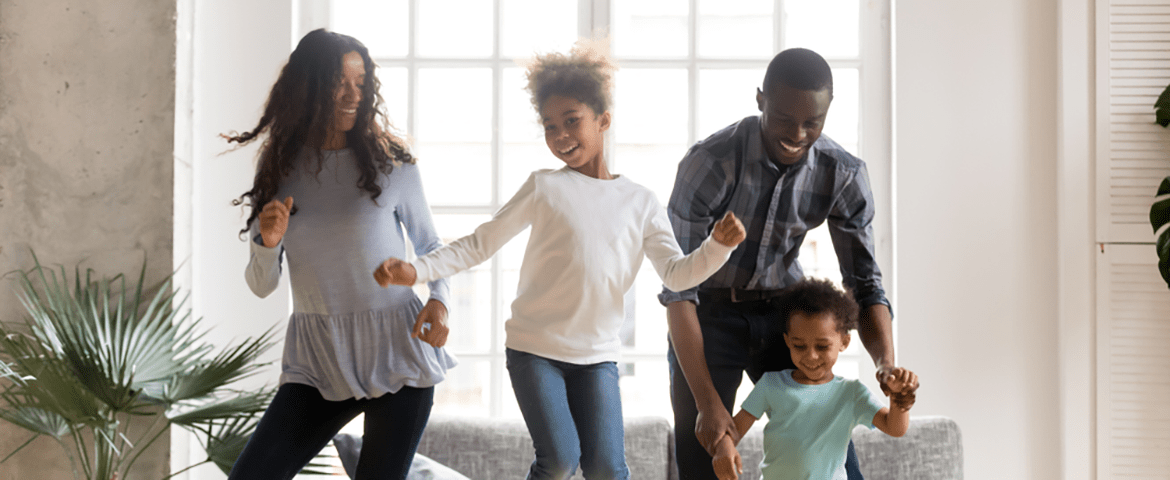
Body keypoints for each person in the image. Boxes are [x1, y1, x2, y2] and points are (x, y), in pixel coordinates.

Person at [373, 41, 746, 480]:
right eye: (551, 126)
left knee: (608, 468)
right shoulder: (544, 187)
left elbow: (676, 273)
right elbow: (479, 243)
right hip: (535, 352)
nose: (562, 136)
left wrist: (717, 247)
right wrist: (417, 271)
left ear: (603, 120)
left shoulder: (640, 202)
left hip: (599, 358)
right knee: (561, 460)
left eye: (573, 121)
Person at [660, 47, 917, 479]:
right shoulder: (709, 163)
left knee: (832, 454)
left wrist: (885, 366)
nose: (797, 133)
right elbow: (677, 289)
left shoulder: (843, 173)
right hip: (706, 315)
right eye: (783, 118)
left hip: (784, 316)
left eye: (812, 123)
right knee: (705, 455)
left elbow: (865, 284)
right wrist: (707, 405)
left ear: (828, 112)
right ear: (760, 99)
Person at [226, 29, 454, 480]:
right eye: (339, 82)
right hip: (319, 362)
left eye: (361, 82)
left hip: (397, 354)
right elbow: (261, 285)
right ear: (308, 86)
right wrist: (266, 244)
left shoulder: (392, 163)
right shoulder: (279, 169)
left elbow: (431, 247)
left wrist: (440, 299)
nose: (353, 95)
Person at [709, 278, 918, 480]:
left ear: (844, 342)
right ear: (787, 341)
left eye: (822, 346)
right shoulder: (771, 385)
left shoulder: (851, 393)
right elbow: (735, 430)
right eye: (799, 345)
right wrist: (724, 446)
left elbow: (895, 428)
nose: (811, 356)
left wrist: (901, 399)